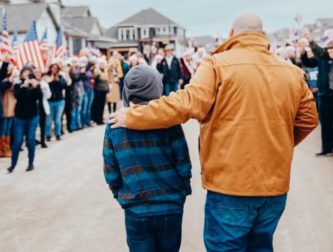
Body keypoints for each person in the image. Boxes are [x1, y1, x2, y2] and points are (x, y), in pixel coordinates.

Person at [109, 13, 319, 251]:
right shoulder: (290, 71)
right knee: (261, 245)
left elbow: (187, 103)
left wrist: (134, 115)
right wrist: (276, 145)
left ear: (232, 34)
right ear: (262, 35)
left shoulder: (217, 65)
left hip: (231, 185)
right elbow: (309, 119)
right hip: (274, 186)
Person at [103, 65, 192, 252]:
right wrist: (180, 193)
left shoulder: (114, 124)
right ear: (156, 88)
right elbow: (183, 163)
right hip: (170, 205)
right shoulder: (168, 121)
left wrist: (122, 196)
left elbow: (111, 170)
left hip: (136, 208)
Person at [300, 28, 333, 156]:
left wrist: (309, 39)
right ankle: (327, 148)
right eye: (328, 40)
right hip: (324, 93)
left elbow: (321, 52)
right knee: (325, 123)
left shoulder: (326, 53)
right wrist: (303, 54)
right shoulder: (322, 54)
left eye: (332, 40)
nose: (330, 43)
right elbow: (309, 63)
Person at [7, 66, 42, 173]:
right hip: (19, 117)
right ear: (21, 74)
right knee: (17, 141)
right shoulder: (18, 84)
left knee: (31, 140)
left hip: (33, 116)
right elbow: (17, 96)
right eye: (24, 72)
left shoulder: (35, 83)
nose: (26, 74)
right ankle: (13, 164)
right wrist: (24, 86)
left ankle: (30, 163)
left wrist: (36, 87)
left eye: (28, 72)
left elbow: (39, 97)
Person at [46, 63, 67, 141]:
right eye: (53, 68)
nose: (54, 69)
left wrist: (58, 79)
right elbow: (45, 84)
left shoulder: (61, 77)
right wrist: (51, 79)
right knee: (49, 119)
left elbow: (64, 86)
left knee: (57, 119)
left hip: (59, 100)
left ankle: (58, 134)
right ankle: (48, 135)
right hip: (49, 101)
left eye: (56, 68)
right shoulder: (47, 77)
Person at [0, 64, 17, 157]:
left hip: (12, 105)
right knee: (3, 129)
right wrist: (10, 79)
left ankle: (6, 148)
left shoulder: (15, 79)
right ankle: (2, 149)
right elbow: (4, 86)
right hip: (4, 105)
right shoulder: (3, 79)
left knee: (8, 129)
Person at [34, 68, 51, 148]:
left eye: (38, 72)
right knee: (33, 125)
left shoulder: (44, 83)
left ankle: (42, 141)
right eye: (35, 73)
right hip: (33, 106)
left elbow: (48, 95)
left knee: (42, 124)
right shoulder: (31, 83)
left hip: (42, 105)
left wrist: (44, 91)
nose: (37, 74)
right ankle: (32, 141)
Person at [92, 58, 109, 125]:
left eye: (103, 63)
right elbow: (95, 78)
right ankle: (98, 119)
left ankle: (101, 118)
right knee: (98, 105)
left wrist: (108, 89)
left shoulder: (105, 70)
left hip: (104, 90)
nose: (102, 65)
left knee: (102, 105)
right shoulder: (96, 71)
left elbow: (106, 81)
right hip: (98, 90)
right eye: (101, 63)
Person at [81, 61, 95, 127]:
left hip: (91, 89)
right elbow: (82, 78)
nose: (93, 67)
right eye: (92, 66)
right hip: (85, 90)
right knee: (85, 107)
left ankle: (88, 121)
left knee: (89, 107)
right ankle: (83, 122)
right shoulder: (85, 71)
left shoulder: (91, 71)